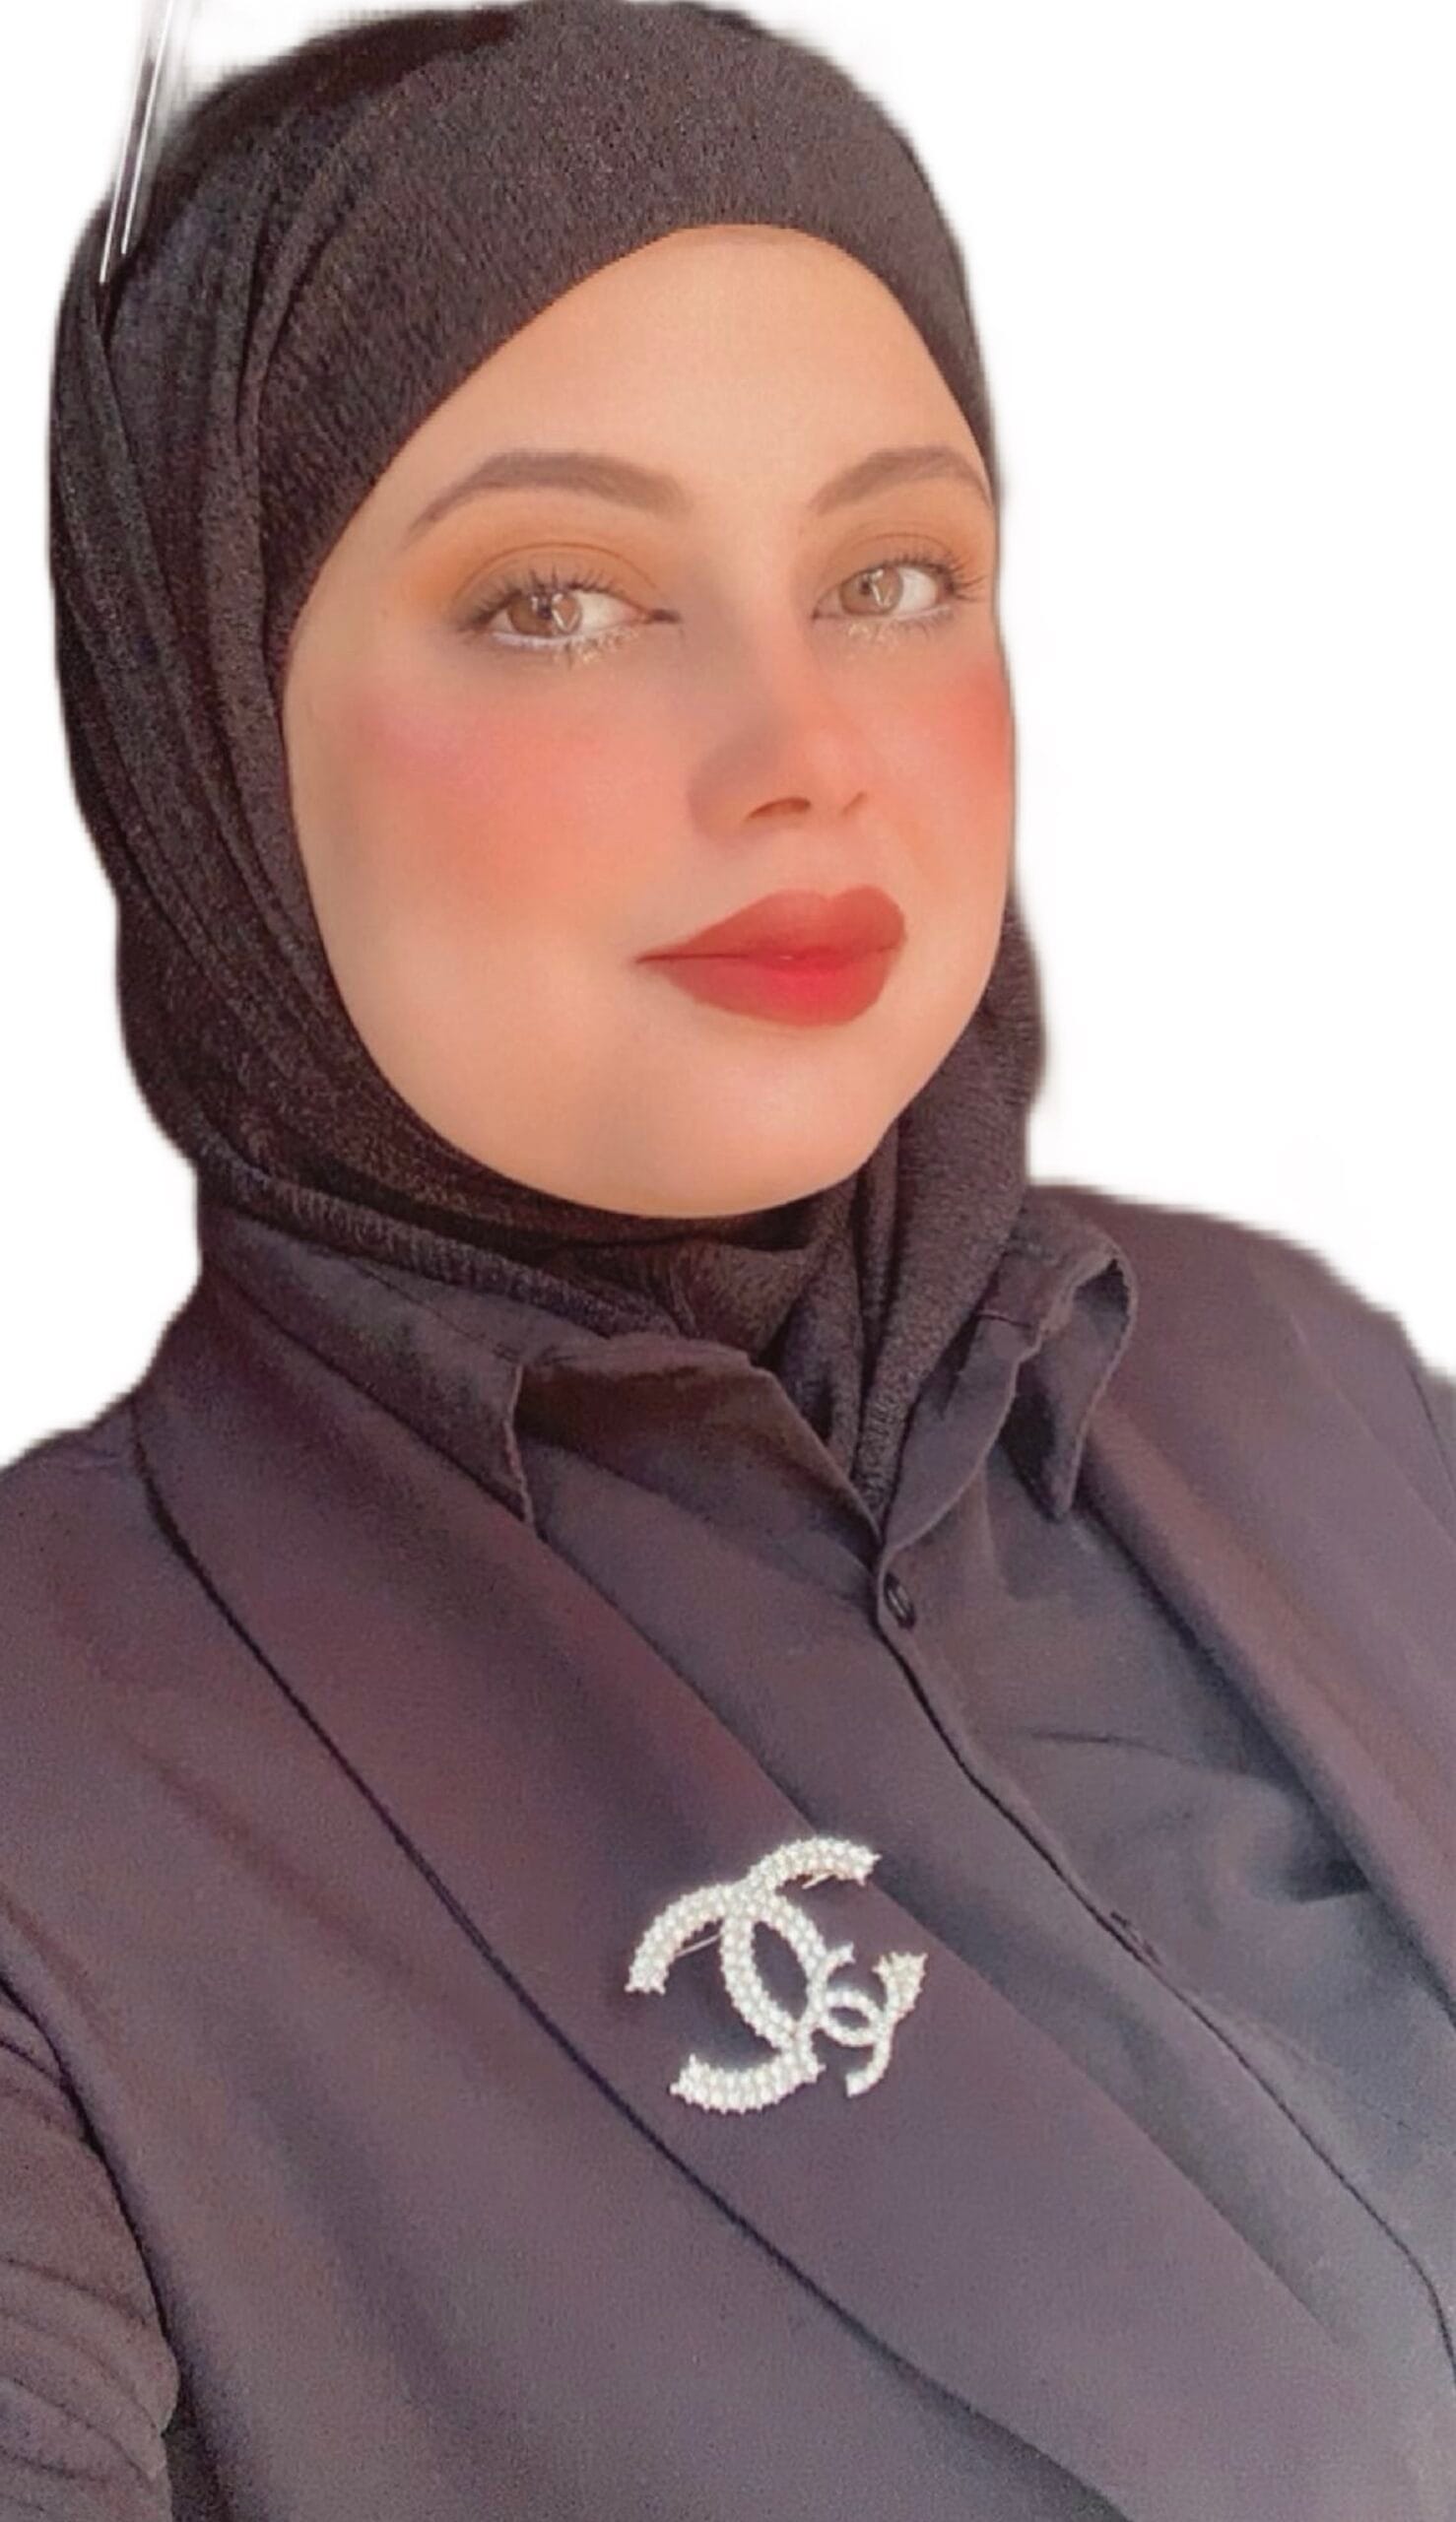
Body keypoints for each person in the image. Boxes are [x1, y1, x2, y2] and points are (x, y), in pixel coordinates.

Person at [4, 3, 1454, 2516]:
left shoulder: (1275, 1360)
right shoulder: (54, 1805)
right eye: (559, 599)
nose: (801, 744)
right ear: (207, 727)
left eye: (890, 574)